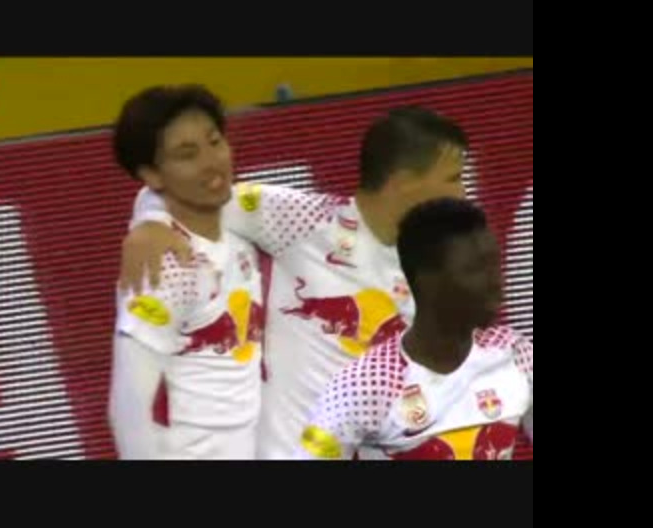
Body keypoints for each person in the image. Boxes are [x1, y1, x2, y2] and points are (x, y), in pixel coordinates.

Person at [120, 107, 471, 459]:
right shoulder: (301, 220)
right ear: (404, 183)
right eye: (453, 178)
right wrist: (150, 221)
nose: (463, 194)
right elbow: (185, 196)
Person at [299, 198, 533, 460]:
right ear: (427, 282)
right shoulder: (364, 387)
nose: (496, 283)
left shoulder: (516, 354)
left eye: (494, 265)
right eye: (475, 269)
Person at [108, 84, 265, 459]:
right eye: (187, 154)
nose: (212, 162)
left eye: (214, 142)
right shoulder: (165, 270)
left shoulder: (241, 226)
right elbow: (129, 408)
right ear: (152, 174)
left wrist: (148, 215)